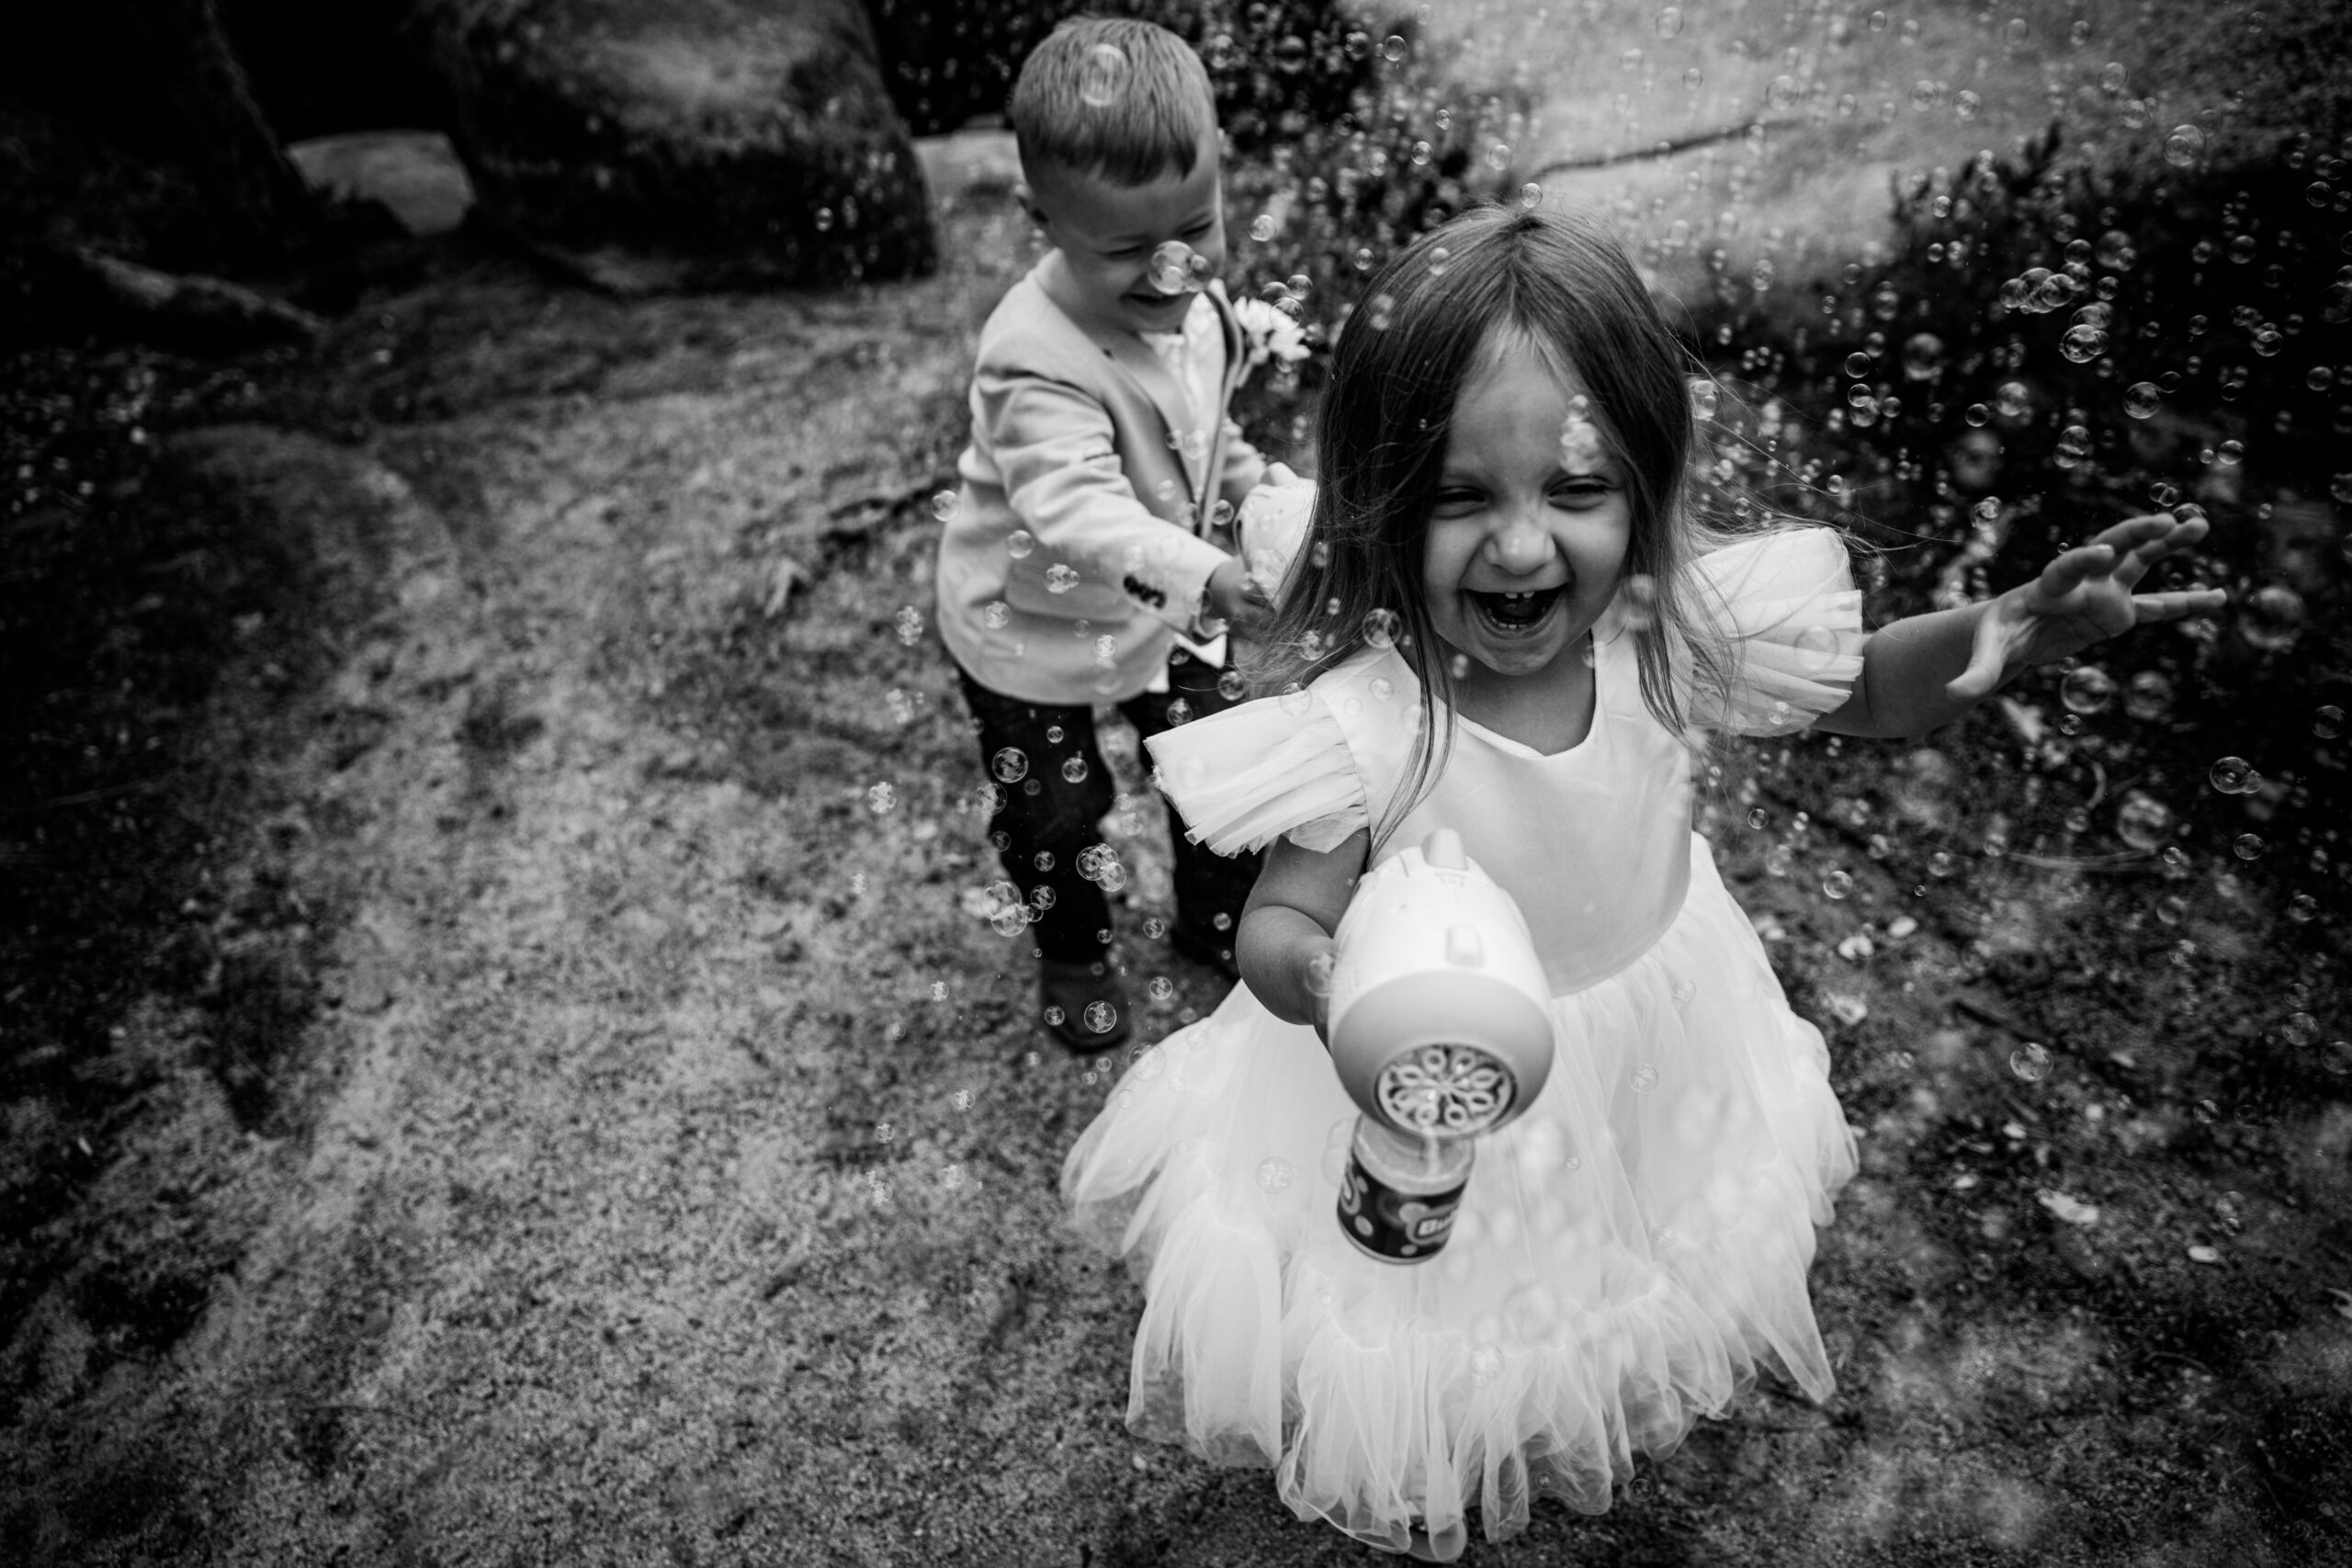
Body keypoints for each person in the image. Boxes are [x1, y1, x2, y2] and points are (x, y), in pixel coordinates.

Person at [1061, 205, 2222, 1559]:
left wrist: (2006, 634)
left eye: (1572, 488)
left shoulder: (1667, 643)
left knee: (1640, 1223)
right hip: (1441, 1056)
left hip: (1649, 1042)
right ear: (1383, 502)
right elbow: (1279, 920)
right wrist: (1331, 988)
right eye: (1458, 494)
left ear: (1646, 481)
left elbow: (1874, 695)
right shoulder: (1370, 721)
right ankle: (1461, 1403)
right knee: (1445, 1293)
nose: (1518, 545)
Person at [935, 17, 1289, 1052]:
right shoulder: (1031, 356)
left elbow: (1201, 438)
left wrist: (1263, 495)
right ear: (1038, 217)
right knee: (1054, 810)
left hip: (1162, 611)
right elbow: (1075, 509)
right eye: (1129, 249)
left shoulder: (1197, 301)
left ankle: (1216, 918)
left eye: (1198, 230)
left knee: (1216, 760)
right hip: (1029, 630)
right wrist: (1211, 574)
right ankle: (1075, 949)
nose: (1174, 270)